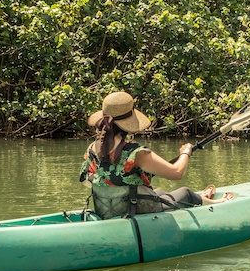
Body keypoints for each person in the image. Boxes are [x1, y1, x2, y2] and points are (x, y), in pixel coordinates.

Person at [79, 91, 234, 219]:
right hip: (131, 211)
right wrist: (185, 153)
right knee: (185, 192)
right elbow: (177, 173)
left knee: (159, 192)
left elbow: (88, 181)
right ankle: (218, 202)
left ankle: (203, 199)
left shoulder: (92, 149)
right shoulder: (136, 152)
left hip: (108, 209)